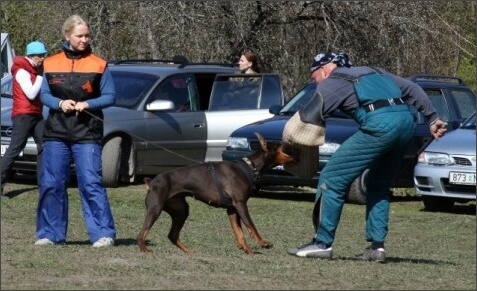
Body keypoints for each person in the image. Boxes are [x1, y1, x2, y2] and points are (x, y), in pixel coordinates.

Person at [286, 51, 447, 262]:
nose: (314, 81)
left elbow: (307, 117)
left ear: (325, 69)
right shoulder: (375, 72)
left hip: (379, 126)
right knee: (378, 184)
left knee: (331, 178)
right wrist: (432, 118)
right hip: (406, 123)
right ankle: (377, 248)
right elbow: (413, 88)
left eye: (313, 75)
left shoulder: (333, 81)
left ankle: (321, 243)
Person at [35, 15, 117, 247]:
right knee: (52, 183)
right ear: (67, 36)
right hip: (56, 132)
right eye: (79, 35)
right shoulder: (50, 63)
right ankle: (50, 234)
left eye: (87, 35)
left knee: (91, 182)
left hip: (87, 133)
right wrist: (60, 104)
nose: (84, 39)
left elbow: (110, 96)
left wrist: (88, 104)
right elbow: (44, 95)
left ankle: (103, 233)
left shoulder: (99, 64)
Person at [0, 41, 47, 198]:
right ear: (31, 56)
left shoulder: (33, 69)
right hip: (23, 115)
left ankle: (44, 184)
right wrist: (41, 76)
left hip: (36, 114)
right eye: (40, 56)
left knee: (44, 146)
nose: (42, 58)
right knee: (15, 149)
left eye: (43, 55)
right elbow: (31, 93)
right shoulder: (22, 71)